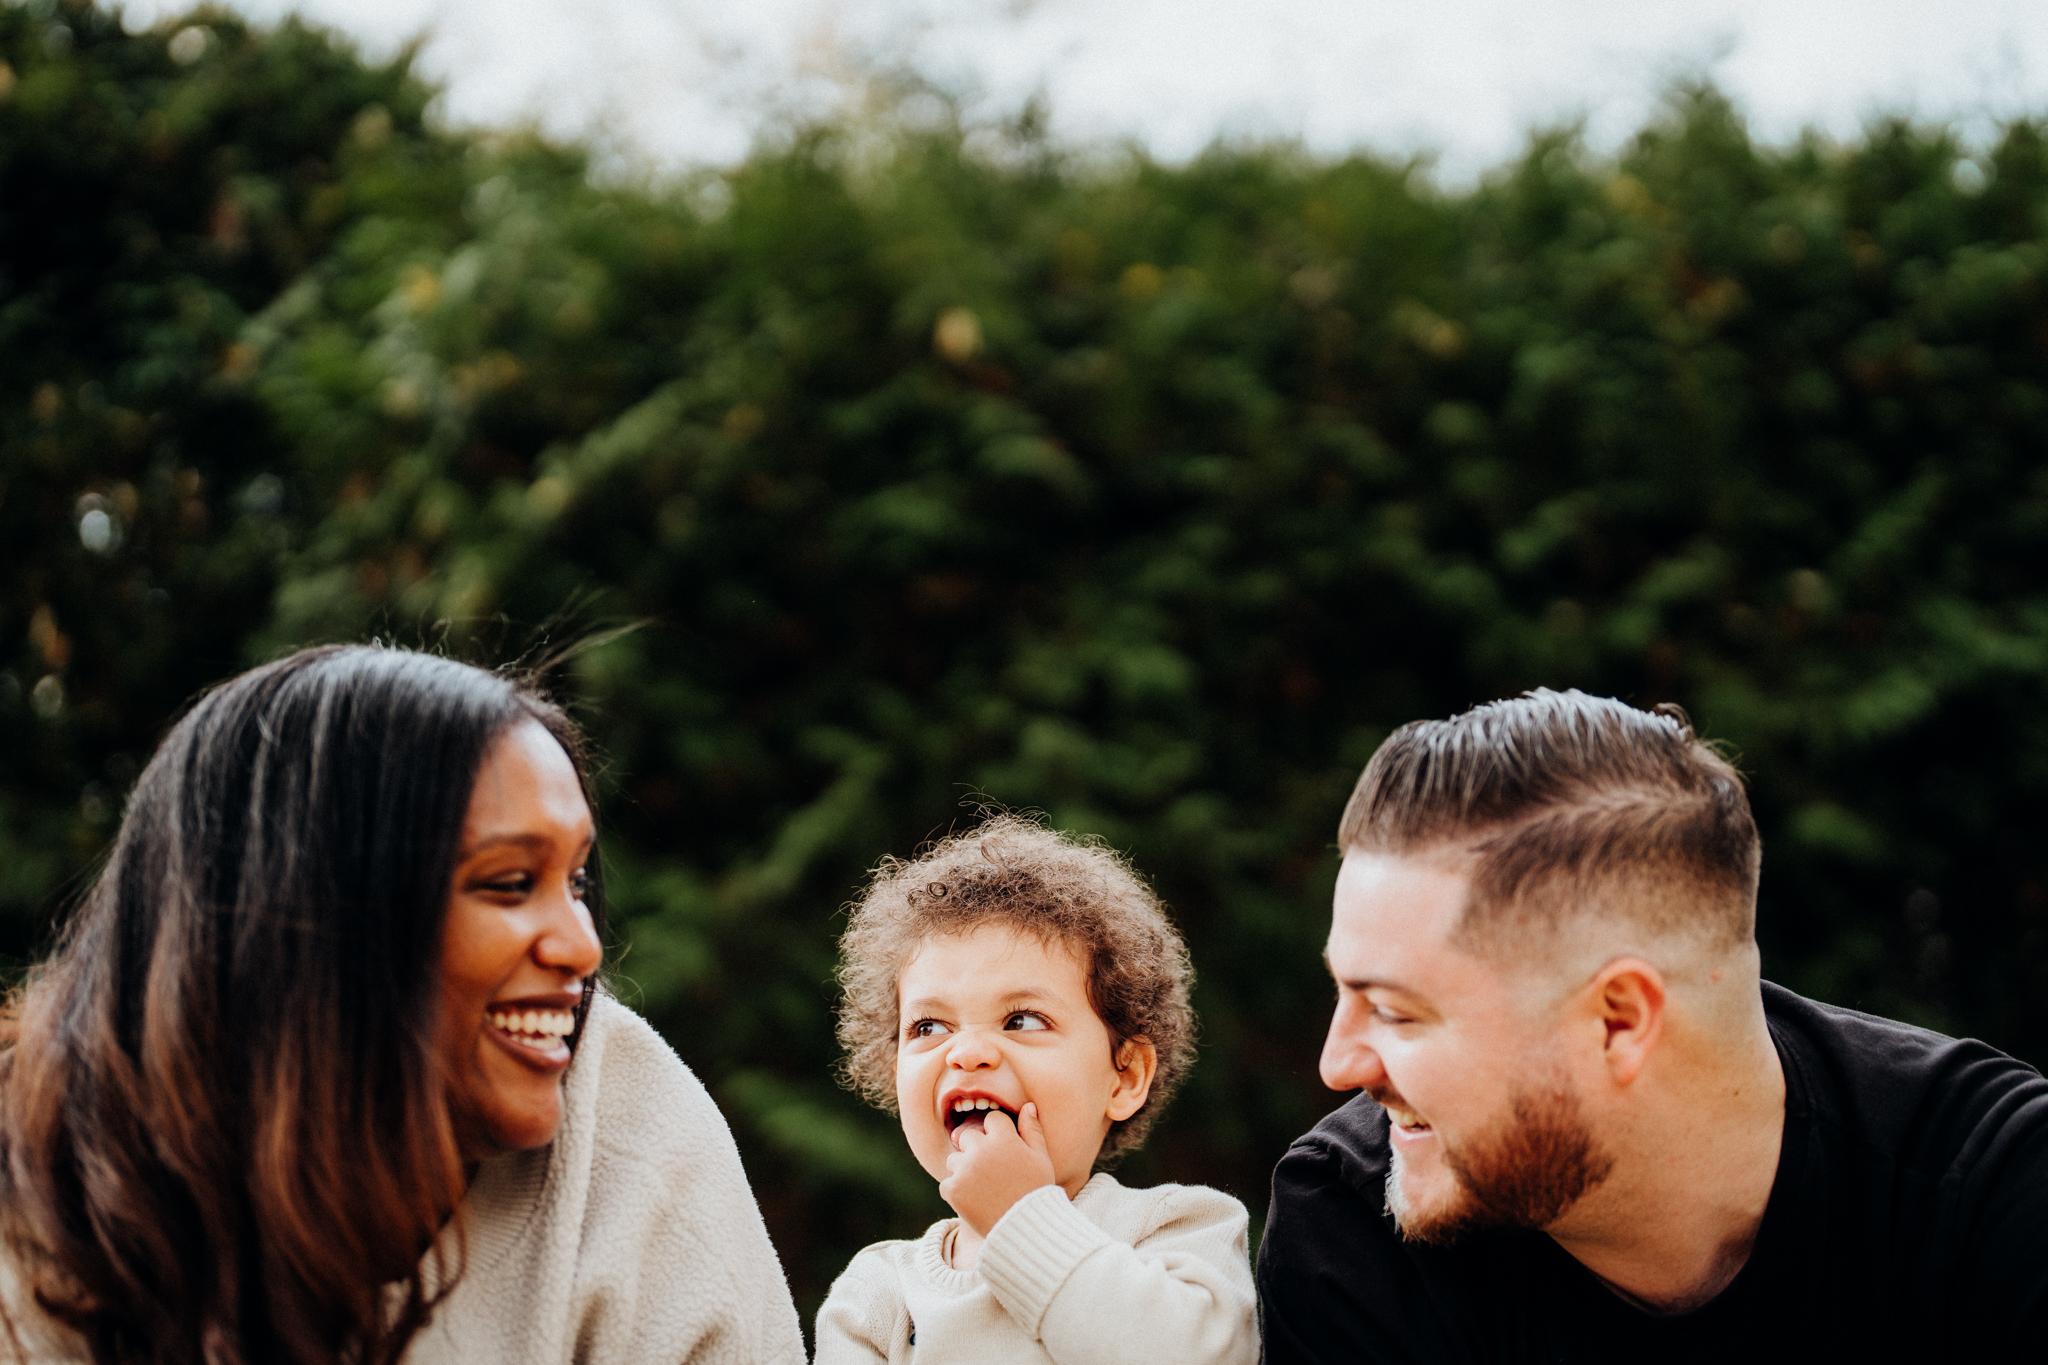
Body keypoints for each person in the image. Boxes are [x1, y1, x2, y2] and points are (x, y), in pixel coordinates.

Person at [0, 644, 804, 1364]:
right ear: (309, 921)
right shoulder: (48, 1204)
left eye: (578, 880)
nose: (583, 945)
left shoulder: (632, 1141)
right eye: (509, 883)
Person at [1256, 689, 2048, 1359]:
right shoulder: (1350, 1227)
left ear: (1619, 1020)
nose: (1340, 1063)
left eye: (1396, 1010)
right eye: (1343, 995)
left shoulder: (1990, 1187)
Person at [814, 815, 1258, 1364]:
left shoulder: (1174, 1229)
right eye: (929, 1027)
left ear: (1125, 1076)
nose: (967, 1051)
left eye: (1022, 1020)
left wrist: (1020, 1218)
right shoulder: (879, 1295)